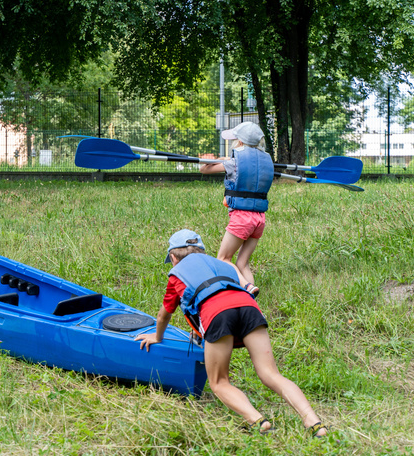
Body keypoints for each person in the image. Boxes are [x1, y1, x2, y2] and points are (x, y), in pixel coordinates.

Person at [135, 229, 329, 438]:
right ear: (201, 251)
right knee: (271, 374)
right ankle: (315, 422)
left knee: (219, 383)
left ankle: (258, 421)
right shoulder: (222, 263)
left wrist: (157, 337)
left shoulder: (177, 274)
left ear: (173, 257)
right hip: (249, 307)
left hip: (217, 312)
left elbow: (164, 315)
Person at [199, 121, 274, 295]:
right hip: (259, 219)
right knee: (242, 263)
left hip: (242, 218)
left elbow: (204, 169)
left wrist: (218, 159)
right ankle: (251, 300)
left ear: (239, 143)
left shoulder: (233, 163)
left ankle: (247, 287)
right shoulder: (266, 161)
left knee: (223, 258)